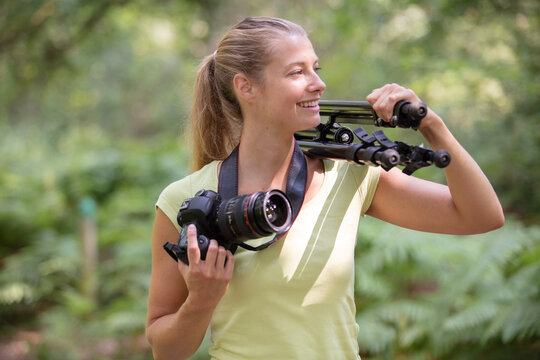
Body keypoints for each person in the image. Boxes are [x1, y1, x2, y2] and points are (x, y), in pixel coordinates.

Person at [145, 16, 504, 360]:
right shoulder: (184, 200)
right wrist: (201, 301)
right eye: (297, 72)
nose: (318, 83)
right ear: (246, 87)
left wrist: (432, 125)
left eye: (316, 68)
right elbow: (167, 350)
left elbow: (481, 216)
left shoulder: (348, 173)